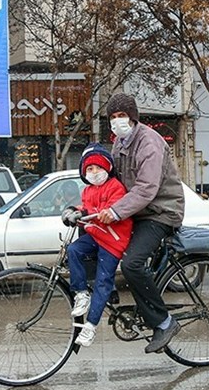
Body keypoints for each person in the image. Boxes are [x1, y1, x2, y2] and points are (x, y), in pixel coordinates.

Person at [96, 93, 186, 354]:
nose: (117, 122)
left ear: (133, 117)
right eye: (112, 118)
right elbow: (112, 184)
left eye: (121, 116)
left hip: (160, 212)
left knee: (132, 263)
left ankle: (164, 322)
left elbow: (147, 189)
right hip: (138, 211)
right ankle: (107, 292)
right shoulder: (119, 144)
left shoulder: (149, 142)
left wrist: (115, 212)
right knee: (97, 240)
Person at [61, 143, 133, 347]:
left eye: (98, 168)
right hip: (96, 235)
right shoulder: (87, 190)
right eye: (90, 169)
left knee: (103, 282)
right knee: (73, 250)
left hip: (113, 240)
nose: (94, 172)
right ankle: (81, 293)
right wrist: (72, 210)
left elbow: (109, 210)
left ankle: (91, 326)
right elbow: (86, 207)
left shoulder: (116, 187)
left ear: (107, 169)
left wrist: (91, 214)